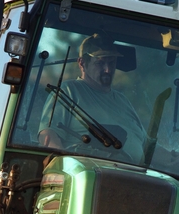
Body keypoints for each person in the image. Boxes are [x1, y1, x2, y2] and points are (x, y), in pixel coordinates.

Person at [37, 34, 149, 162]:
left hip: (135, 177)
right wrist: (64, 165)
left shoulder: (123, 101)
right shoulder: (69, 91)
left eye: (112, 62)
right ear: (82, 63)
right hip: (89, 176)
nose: (107, 69)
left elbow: (148, 147)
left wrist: (175, 159)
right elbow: (49, 137)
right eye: (100, 63)